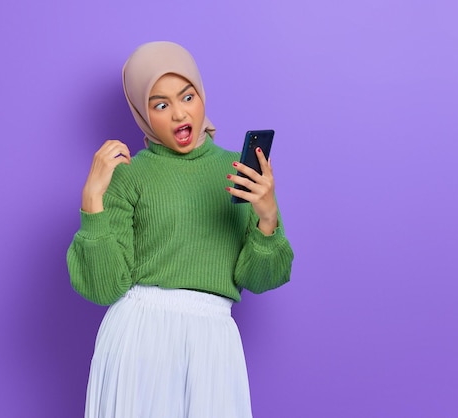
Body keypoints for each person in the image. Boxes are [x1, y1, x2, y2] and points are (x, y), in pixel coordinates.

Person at [67, 41, 294, 418]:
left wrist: (267, 216)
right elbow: (103, 287)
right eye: (160, 104)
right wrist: (93, 201)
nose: (178, 114)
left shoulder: (240, 173)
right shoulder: (130, 176)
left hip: (213, 341)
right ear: (143, 112)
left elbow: (260, 278)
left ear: (201, 94)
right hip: (139, 338)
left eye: (187, 96)